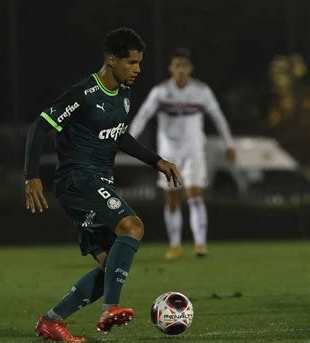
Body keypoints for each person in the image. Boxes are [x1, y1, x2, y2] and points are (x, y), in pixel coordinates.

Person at [24, 28, 182, 342]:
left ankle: (52, 321)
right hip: (78, 181)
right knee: (133, 227)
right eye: (131, 62)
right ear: (112, 60)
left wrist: (157, 161)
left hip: (97, 182)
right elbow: (38, 127)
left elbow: (121, 135)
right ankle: (111, 307)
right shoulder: (82, 94)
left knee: (110, 264)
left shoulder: (123, 93)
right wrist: (32, 177)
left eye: (139, 62)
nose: (137, 69)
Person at [129, 47, 235, 260]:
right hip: (168, 154)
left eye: (184, 66)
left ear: (190, 68)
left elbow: (218, 116)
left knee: (196, 197)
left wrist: (229, 144)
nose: (180, 70)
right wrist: (129, 140)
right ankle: (175, 245)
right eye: (177, 66)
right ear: (171, 68)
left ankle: (200, 245)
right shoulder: (161, 91)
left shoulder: (201, 91)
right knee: (173, 199)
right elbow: (143, 116)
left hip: (194, 151)